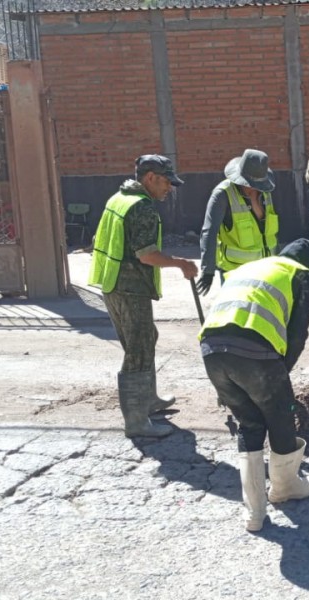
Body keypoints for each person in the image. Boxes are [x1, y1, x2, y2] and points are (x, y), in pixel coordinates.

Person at [198, 238, 309, 532]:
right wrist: (282, 373)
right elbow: (297, 335)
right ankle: (285, 487)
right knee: (280, 415)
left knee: (250, 424)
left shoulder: (254, 268)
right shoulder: (302, 275)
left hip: (212, 352)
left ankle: (254, 513)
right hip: (255, 353)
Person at [88, 154, 199, 438]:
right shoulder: (142, 208)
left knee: (147, 337)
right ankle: (136, 421)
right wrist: (181, 264)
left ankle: (147, 400)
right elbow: (147, 254)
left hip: (112, 282)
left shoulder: (119, 198)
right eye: (166, 182)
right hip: (129, 286)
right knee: (137, 349)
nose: (170, 188)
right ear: (150, 178)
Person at [196, 148, 279, 297]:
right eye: (249, 182)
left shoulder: (266, 192)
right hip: (235, 273)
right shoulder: (222, 195)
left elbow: (270, 233)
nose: (252, 188)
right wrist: (208, 270)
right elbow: (209, 232)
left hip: (266, 271)